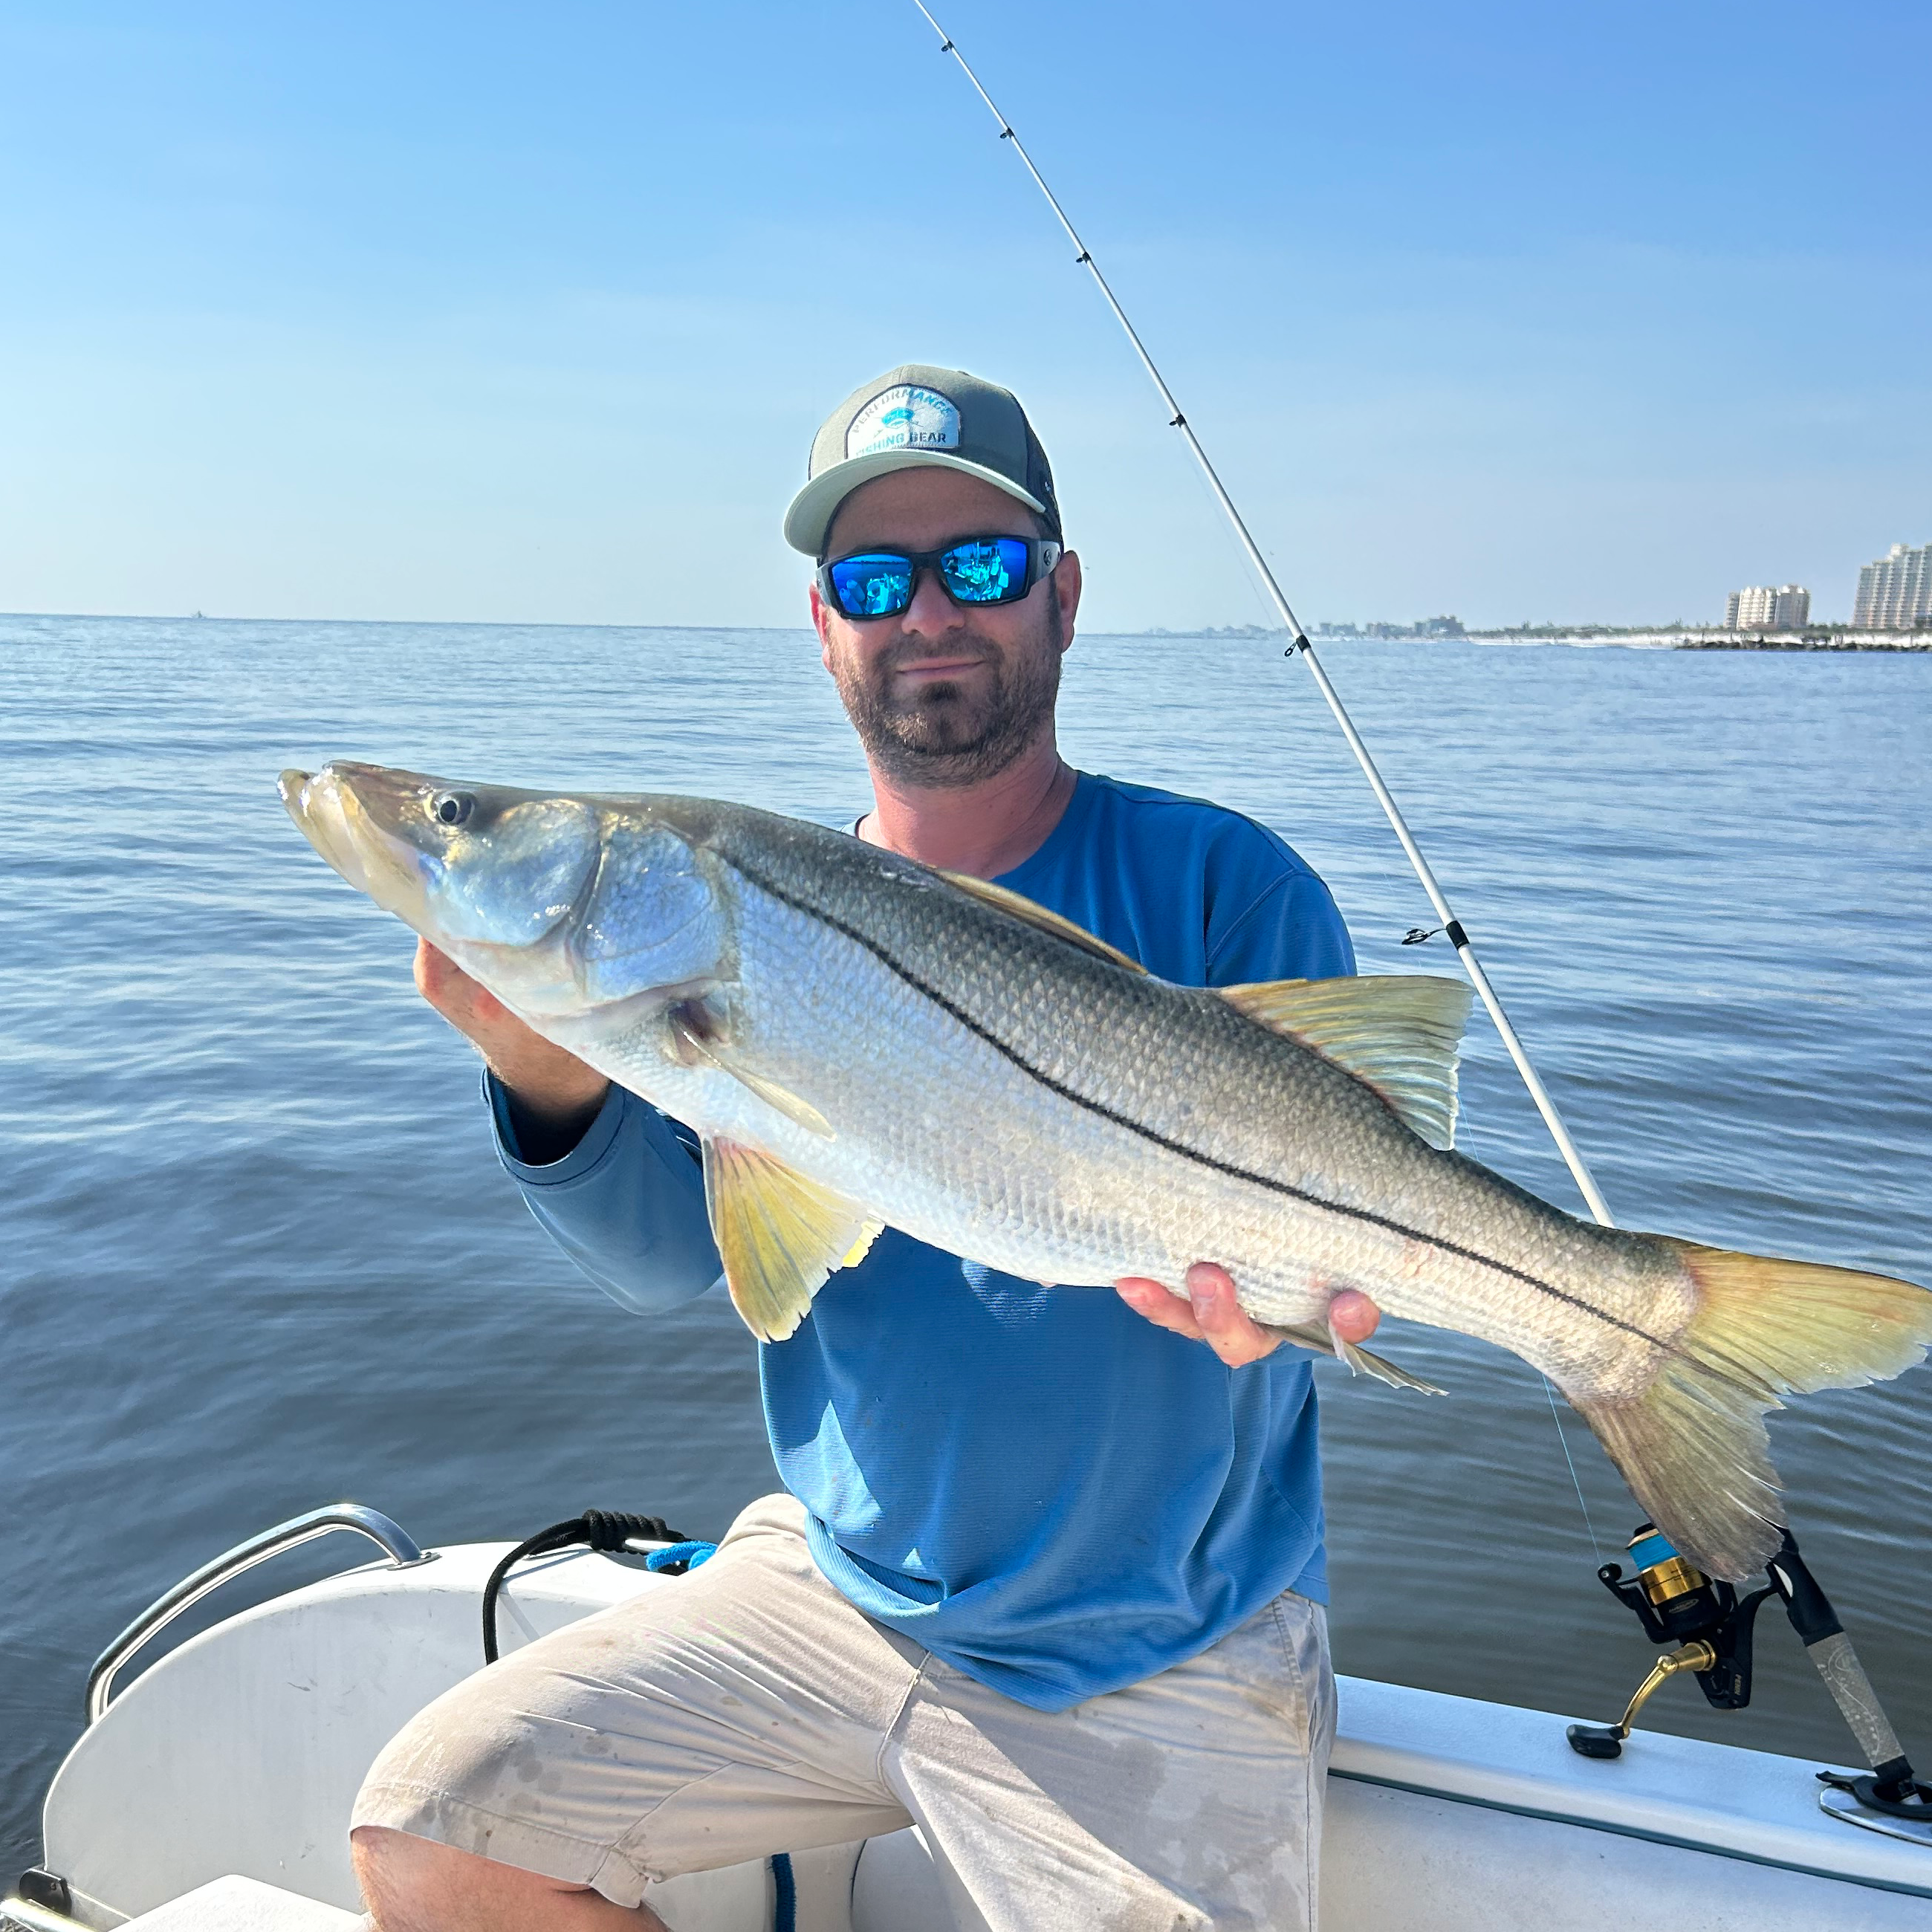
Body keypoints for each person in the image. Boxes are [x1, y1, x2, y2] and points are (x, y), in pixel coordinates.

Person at [351, 364, 1381, 1932]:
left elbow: (1346, 1224)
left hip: (1161, 1646)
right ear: (824, 624)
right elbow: (665, 1260)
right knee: (427, 1834)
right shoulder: (733, 927)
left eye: (977, 566)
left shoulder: (1223, 885)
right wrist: (541, 1071)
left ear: (1062, 596)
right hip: (833, 1596)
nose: (927, 615)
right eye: (870, 577)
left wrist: (1289, 1308)